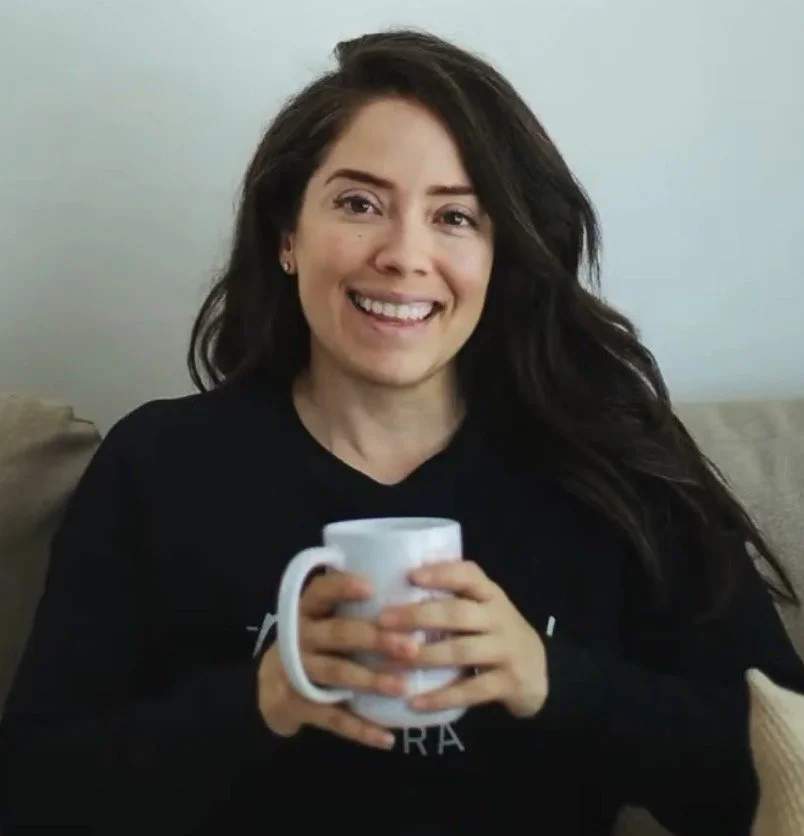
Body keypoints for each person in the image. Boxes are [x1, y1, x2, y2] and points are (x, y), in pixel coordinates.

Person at [0, 28, 802, 836]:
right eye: (358, 203)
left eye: (455, 216)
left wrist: (555, 681)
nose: (404, 254)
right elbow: (33, 793)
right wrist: (264, 699)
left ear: (501, 256)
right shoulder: (162, 467)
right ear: (287, 233)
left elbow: (773, 768)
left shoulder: (609, 459)